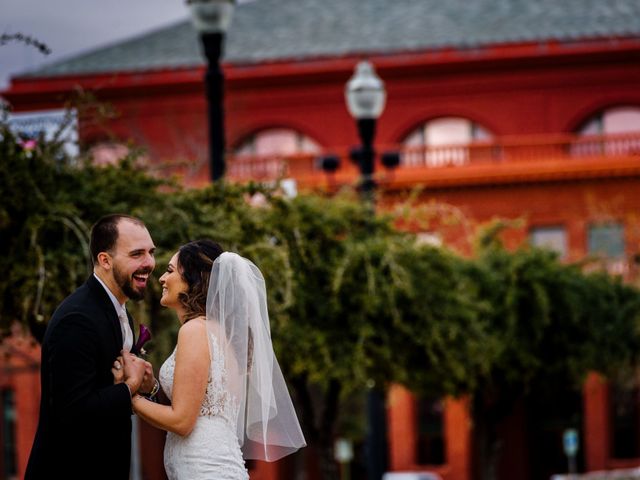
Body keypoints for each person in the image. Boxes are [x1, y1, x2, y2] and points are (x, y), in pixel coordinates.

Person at [124, 239, 306, 479]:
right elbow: (198, 406)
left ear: (193, 279)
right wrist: (152, 387)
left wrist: (127, 395)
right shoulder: (218, 334)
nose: (161, 279)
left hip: (205, 469)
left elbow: (181, 421)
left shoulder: (195, 331)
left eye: (170, 270)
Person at [25, 214, 157, 479]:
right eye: (136, 254)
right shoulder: (78, 319)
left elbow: (109, 398)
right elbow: (74, 411)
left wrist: (145, 386)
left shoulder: (119, 313)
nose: (149, 263)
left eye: (151, 252)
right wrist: (129, 387)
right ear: (104, 260)